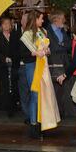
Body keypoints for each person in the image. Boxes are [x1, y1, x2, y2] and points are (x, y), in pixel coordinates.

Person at [20, 10, 60, 139]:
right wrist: (35, 53)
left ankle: (42, 123)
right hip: (32, 67)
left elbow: (48, 49)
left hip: (43, 66)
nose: (42, 21)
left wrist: (47, 51)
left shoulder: (42, 32)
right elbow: (22, 54)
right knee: (35, 95)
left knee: (43, 95)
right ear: (35, 19)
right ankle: (34, 125)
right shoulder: (26, 35)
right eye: (41, 18)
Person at [46, 10, 72, 118]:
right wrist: (61, 46)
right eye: (62, 18)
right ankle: (54, 113)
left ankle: (61, 112)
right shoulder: (47, 30)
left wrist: (61, 45)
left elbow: (69, 45)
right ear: (56, 19)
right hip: (53, 63)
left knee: (62, 88)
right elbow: (52, 47)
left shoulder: (62, 31)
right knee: (54, 89)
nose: (64, 20)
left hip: (64, 62)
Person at [10, 11, 30, 123]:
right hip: (20, 67)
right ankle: (27, 115)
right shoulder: (15, 34)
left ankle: (32, 114)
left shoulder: (34, 33)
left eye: (28, 21)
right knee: (23, 93)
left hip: (32, 66)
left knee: (33, 92)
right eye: (24, 20)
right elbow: (12, 52)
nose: (26, 22)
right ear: (21, 22)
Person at [0, 17, 13, 116]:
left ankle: (13, 105)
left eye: (8, 23)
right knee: (5, 85)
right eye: (4, 24)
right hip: (3, 65)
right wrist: (4, 58)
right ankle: (6, 107)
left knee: (13, 85)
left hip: (14, 64)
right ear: (1, 26)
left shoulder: (14, 36)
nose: (6, 25)